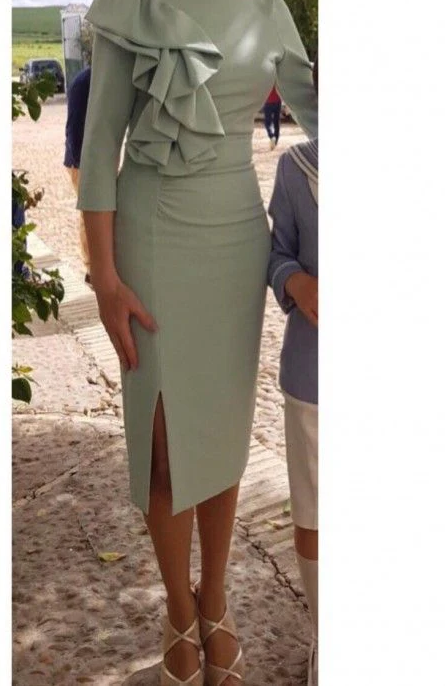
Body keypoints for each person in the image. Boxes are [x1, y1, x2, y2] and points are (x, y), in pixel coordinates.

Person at [77, 0, 317, 684]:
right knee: (165, 442)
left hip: (236, 240)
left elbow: (327, 121)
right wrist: (104, 277)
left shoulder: (269, 9)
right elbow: (99, 146)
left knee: (219, 434)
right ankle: (178, 609)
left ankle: (215, 598)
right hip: (151, 239)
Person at [267, 59, 319, 686]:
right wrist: (296, 282)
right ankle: (325, 632)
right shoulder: (297, 169)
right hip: (313, 377)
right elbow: (275, 253)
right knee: (314, 510)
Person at [64, 66, 92, 285]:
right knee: (88, 213)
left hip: (91, 160)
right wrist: (81, 163)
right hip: (81, 161)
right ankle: (90, 267)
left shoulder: (93, 79)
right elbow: (73, 128)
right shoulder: (85, 82)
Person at [263, 85, 282, 149]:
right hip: (278, 101)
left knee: (267, 123)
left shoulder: (266, 80)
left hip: (268, 101)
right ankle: (275, 141)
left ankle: (271, 136)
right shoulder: (277, 80)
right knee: (276, 122)